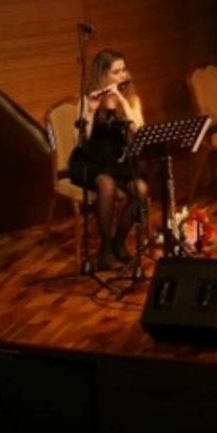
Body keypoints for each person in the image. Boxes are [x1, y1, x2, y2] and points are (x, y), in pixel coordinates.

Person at [68, 48, 147, 271]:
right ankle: (105, 248)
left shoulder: (131, 97)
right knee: (106, 184)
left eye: (124, 70)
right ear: (103, 75)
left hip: (120, 160)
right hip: (93, 160)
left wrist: (122, 102)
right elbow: (80, 141)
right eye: (116, 72)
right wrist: (91, 112)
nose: (123, 76)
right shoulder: (88, 99)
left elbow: (138, 132)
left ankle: (118, 241)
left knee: (140, 189)